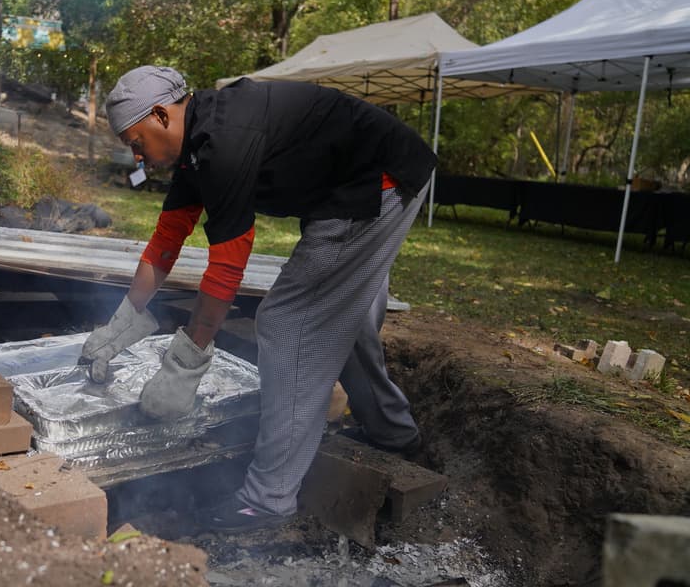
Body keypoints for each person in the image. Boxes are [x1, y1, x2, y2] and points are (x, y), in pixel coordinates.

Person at [78, 66, 437, 532]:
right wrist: (125, 319)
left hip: (376, 186)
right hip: (356, 183)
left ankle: (268, 499)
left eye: (135, 139)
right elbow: (168, 238)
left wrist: (186, 363)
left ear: (161, 115)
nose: (135, 153)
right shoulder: (195, 148)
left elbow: (227, 269)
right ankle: (394, 434)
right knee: (339, 318)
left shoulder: (224, 144)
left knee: (290, 323)